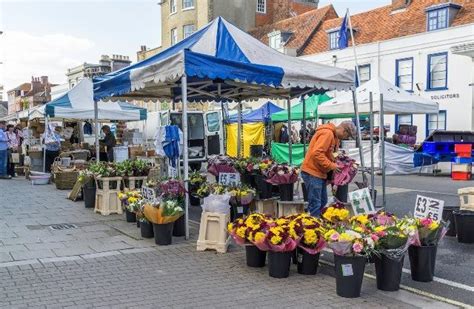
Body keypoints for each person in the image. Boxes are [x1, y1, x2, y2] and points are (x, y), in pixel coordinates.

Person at [301, 121, 356, 216]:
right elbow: (317, 153)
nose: (346, 138)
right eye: (347, 136)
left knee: (322, 201)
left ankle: (317, 222)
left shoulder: (335, 137)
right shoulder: (328, 134)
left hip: (319, 172)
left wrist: (338, 158)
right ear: (344, 131)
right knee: (316, 203)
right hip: (313, 172)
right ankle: (314, 225)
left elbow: (329, 153)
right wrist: (332, 166)